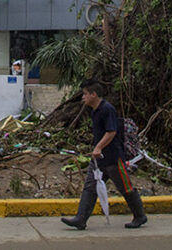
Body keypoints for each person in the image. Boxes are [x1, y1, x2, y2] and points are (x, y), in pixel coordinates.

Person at [60, 78, 147, 230]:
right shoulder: (95, 111)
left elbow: (111, 131)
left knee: (125, 187)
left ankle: (140, 216)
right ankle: (81, 218)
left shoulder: (107, 109)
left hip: (113, 158)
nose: (83, 97)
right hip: (100, 160)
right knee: (90, 187)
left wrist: (98, 147)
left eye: (85, 94)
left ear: (94, 94)